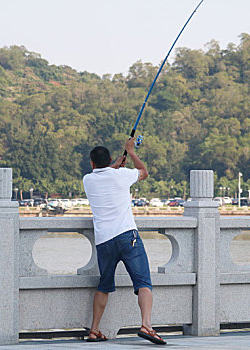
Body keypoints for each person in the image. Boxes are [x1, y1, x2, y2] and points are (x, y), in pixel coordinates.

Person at [82, 137, 166, 345]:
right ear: (110, 158)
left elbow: (103, 173)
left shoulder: (88, 180)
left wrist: (113, 166)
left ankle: (94, 330)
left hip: (104, 241)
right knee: (143, 283)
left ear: (92, 163)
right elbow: (144, 172)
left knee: (104, 285)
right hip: (127, 236)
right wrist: (131, 151)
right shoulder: (122, 176)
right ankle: (146, 325)